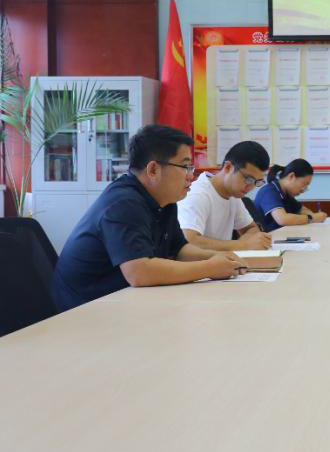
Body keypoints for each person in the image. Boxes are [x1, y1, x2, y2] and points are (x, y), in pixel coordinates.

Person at [50, 125, 249, 312]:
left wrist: (220, 258)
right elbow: (139, 272)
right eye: (185, 166)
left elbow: (179, 250)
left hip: (124, 300)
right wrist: (209, 268)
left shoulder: (164, 200)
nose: (191, 176)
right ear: (153, 169)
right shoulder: (123, 203)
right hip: (84, 309)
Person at [177, 140, 272, 251]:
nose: (250, 187)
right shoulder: (198, 195)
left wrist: (244, 244)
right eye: (248, 179)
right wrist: (243, 245)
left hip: (221, 260)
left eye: (257, 182)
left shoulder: (233, 194)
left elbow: (251, 229)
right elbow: (189, 241)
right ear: (228, 167)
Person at [253, 159, 328, 232]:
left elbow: (302, 209)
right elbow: (282, 219)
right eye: (304, 184)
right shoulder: (269, 191)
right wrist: (312, 218)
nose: (304, 189)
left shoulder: (287, 194)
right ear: (291, 176)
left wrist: (315, 216)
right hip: (265, 238)